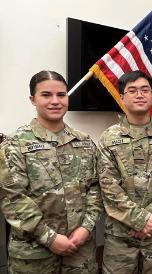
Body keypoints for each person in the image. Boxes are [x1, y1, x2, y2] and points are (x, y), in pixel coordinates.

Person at [0, 70, 103, 273]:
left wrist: (86, 228)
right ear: (33, 99)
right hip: (34, 255)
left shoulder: (85, 142)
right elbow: (13, 198)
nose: (55, 101)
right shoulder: (15, 144)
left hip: (79, 251)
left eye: (61, 95)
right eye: (46, 95)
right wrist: (50, 238)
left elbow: (96, 188)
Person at [97, 70, 152, 273]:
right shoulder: (109, 138)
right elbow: (108, 185)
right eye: (132, 90)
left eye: (145, 90)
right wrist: (139, 220)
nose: (139, 95)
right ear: (122, 97)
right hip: (120, 235)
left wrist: (149, 220)